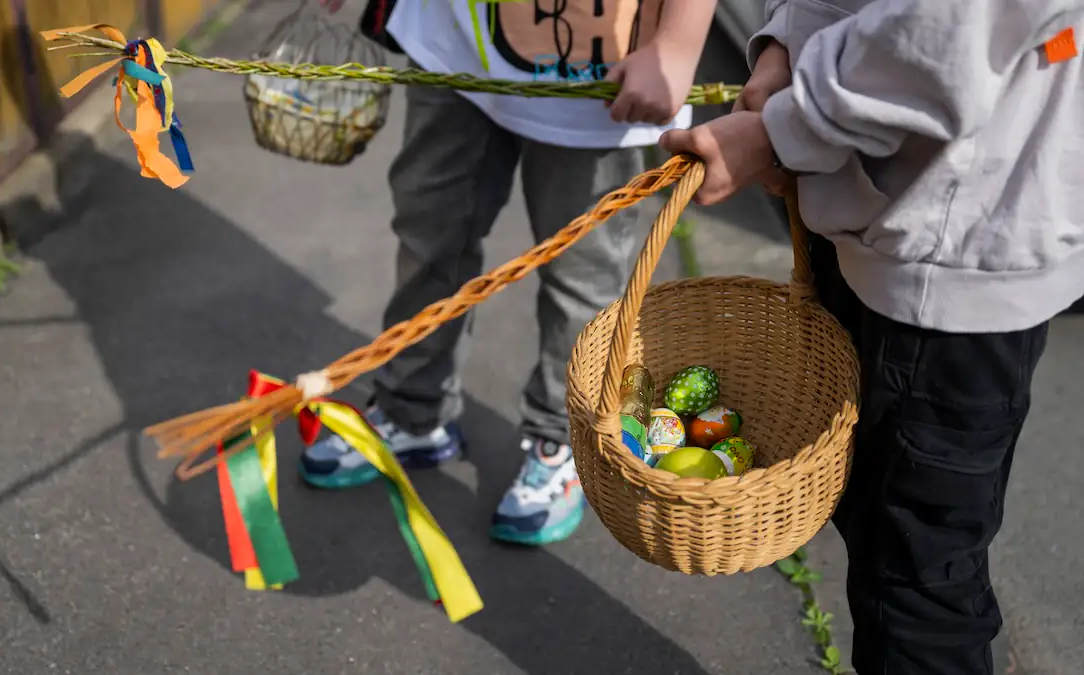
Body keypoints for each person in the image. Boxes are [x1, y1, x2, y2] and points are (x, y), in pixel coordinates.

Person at [660, 1, 1083, 673]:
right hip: (884, 223)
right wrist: (784, 48)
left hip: (945, 272)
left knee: (914, 581)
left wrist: (782, 131)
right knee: (889, 538)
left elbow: (950, 29)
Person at [299, 0, 716, 545]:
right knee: (431, 235)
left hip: (596, 66)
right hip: (455, 41)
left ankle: (562, 440)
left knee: (582, 274)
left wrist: (678, 42)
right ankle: (412, 408)